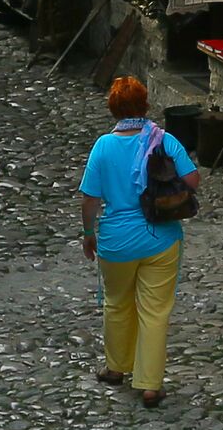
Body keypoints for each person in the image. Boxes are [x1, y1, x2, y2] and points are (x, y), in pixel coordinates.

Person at [77, 78, 197, 408]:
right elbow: (193, 179)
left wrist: (89, 234)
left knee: (116, 303)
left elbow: (90, 199)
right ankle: (149, 384)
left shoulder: (103, 146)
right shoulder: (164, 140)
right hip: (160, 237)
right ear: (145, 104)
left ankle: (116, 367)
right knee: (155, 311)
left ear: (113, 108)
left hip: (116, 241)